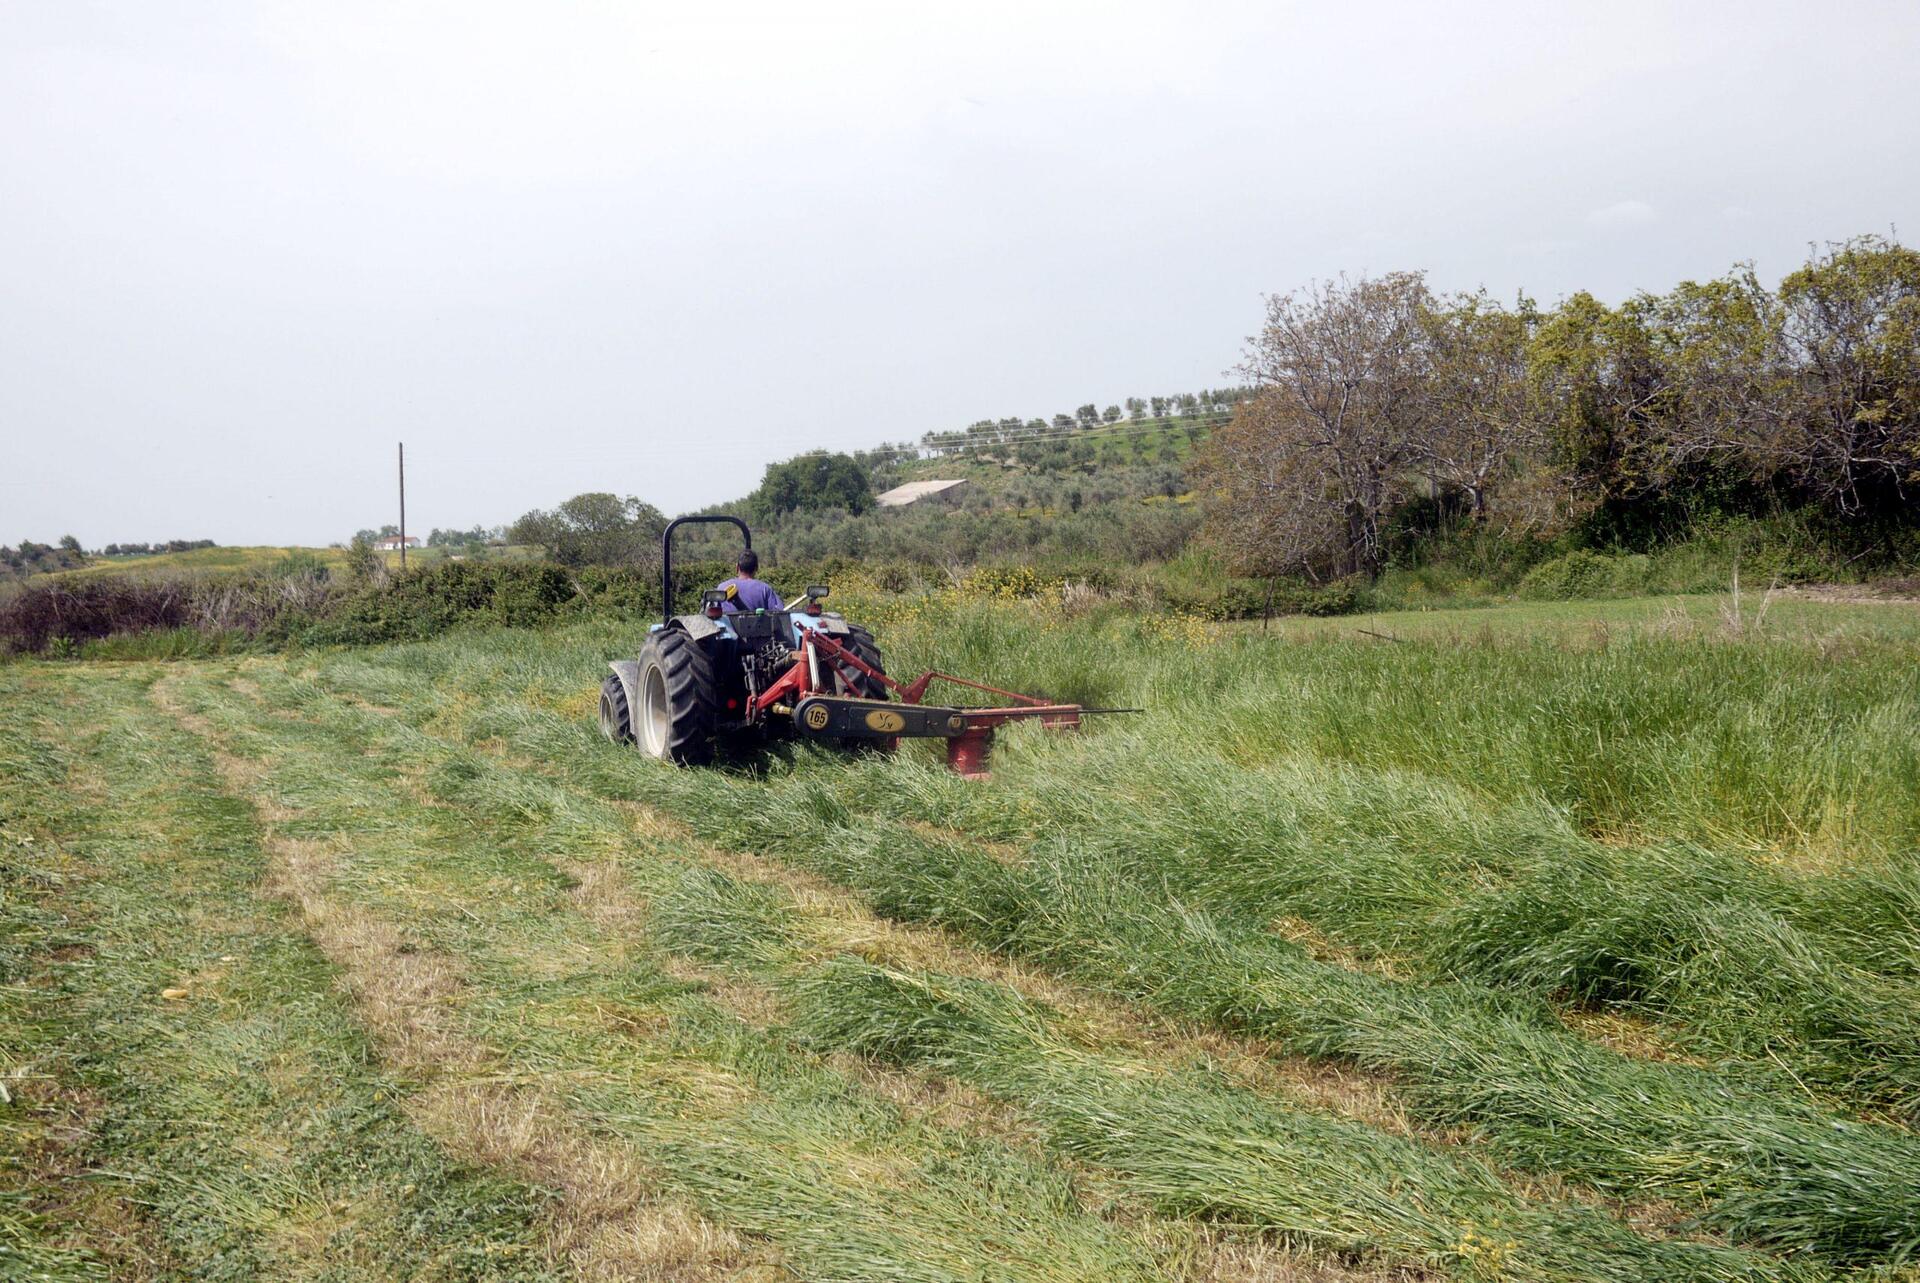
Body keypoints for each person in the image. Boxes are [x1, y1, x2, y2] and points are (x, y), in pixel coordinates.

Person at [715, 549, 785, 614]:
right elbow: (779, 612)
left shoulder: (722, 588)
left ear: (737, 567)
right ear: (756, 568)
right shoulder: (765, 589)